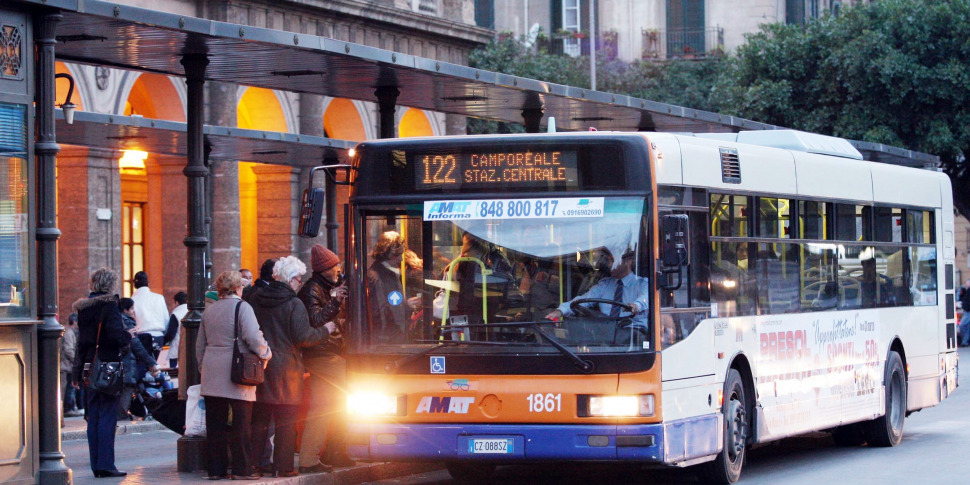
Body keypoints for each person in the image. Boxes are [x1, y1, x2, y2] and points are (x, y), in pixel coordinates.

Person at [249, 256, 333, 477]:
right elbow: (303, 336)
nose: (300, 284)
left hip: (261, 366)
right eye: (299, 279)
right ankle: (283, 467)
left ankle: (254, 465)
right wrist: (327, 330)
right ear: (292, 279)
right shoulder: (293, 303)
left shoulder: (256, 299)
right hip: (287, 369)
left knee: (260, 420)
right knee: (286, 420)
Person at [198, 271, 272, 480]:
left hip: (212, 371)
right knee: (241, 425)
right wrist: (266, 353)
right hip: (237, 371)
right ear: (238, 288)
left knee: (215, 425)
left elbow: (200, 345)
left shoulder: (209, 311)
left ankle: (216, 470)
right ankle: (242, 469)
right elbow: (252, 336)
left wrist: (204, 367)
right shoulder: (242, 307)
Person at [296, 244, 354, 473]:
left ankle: (312, 458)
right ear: (325, 269)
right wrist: (336, 301)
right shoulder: (311, 290)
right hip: (323, 355)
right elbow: (316, 320)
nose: (338, 268)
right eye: (335, 265)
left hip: (328, 353)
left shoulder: (326, 286)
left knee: (325, 407)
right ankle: (331, 452)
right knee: (355, 387)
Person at [72, 268, 131, 478]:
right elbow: (116, 336)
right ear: (110, 284)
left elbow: (81, 343)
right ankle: (106, 464)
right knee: (107, 415)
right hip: (106, 365)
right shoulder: (109, 306)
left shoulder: (84, 308)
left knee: (94, 415)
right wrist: (128, 337)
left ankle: (96, 464)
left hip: (89, 366)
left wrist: (76, 372)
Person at [545, 249, 649, 326]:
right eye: (608, 261)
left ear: (629, 261)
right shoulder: (605, 285)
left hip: (633, 335)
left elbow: (647, 298)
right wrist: (560, 311)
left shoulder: (642, 284)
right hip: (606, 334)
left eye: (613, 261)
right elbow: (583, 300)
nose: (609, 265)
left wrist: (636, 305)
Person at [117, 298, 158, 421]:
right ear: (125, 310)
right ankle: (121, 415)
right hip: (127, 362)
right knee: (127, 387)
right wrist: (151, 362)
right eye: (131, 309)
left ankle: (120, 414)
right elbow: (136, 345)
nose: (133, 312)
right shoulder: (127, 323)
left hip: (117, 363)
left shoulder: (116, 320)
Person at [366, 231, 409, 343]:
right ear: (390, 255)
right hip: (388, 337)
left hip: (390, 334)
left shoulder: (387, 272)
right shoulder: (378, 276)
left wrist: (407, 306)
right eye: (399, 255)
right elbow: (379, 309)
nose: (401, 259)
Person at [131, 271, 169, 362]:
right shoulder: (159, 298)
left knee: (142, 367)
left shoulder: (132, 300)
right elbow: (166, 319)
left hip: (140, 336)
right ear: (148, 283)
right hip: (158, 336)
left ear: (134, 284)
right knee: (155, 365)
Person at [61, 313, 82, 418]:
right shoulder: (69, 333)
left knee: (71, 386)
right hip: (68, 365)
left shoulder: (72, 332)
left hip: (69, 364)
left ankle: (70, 407)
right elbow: (69, 350)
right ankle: (68, 408)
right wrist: (77, 361)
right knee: (70, 387)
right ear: (75, 322)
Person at [166, 291, 187, 368]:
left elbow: (171, 334)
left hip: (176, 348)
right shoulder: (191, 312)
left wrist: (163, 341)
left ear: (177, 302)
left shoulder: (175, 314)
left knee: (174, 373)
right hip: (189, 348)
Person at [959, 280, 970, 346]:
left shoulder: (968, 291)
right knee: (967, 327)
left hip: (968, 310)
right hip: (967, 310)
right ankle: (965, 341)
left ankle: (965, 341)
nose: (966, 284)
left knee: (962, 325)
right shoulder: (967, 290)